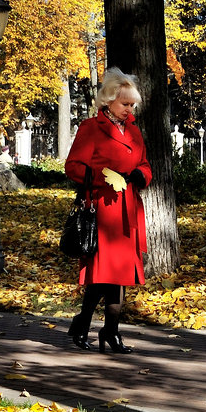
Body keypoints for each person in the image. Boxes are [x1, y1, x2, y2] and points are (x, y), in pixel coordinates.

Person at [64, 67, 152, 354]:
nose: (129, 109)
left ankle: (109, 331)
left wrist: (141, 175)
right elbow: (73, 166)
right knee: (103, 275)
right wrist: (104, 176)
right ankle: (87, 325)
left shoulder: (135, 132)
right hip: (102, 210)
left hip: (128, 211)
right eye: (125, 104)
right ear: (109, 100)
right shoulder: (92, 128)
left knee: (121, 275)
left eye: (132, 104)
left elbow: (145, 165)